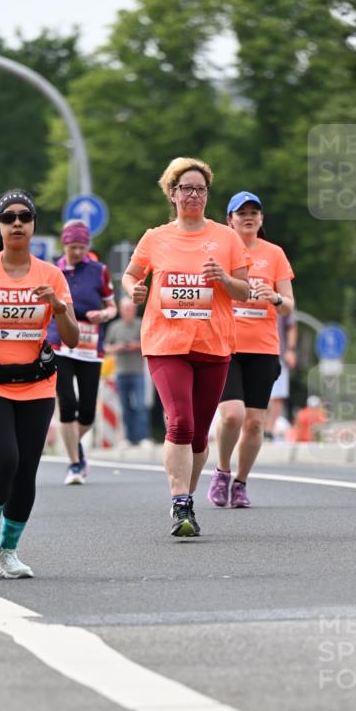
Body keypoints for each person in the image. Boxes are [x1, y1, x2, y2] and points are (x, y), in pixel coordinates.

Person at [0, 189, 78, 578]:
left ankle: (8, 551)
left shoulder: (51, 275)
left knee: (26, 470)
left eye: (25, 216)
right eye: (9, 217)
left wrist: (58, 308)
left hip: (37, 383)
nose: (18, 223)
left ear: (34, 224)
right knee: (4, 459)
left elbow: (72, 338)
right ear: (0, 226)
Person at [121, 157, 249, 537]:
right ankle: (181, 504)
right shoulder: (155, 238)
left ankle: (185, 501)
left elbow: (244, 290)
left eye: (200, 189)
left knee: (198, 434)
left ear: (207, 195)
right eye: (186, 189)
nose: (194, 195)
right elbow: (129, 275)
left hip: (213, 343)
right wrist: (135, 290)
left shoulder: (226, 238)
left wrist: (222, 277)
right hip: (166, 342)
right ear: (172, 194)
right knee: (180, 421)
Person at [208, 191, 295, 508]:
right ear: (229, 220)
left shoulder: (275, 255)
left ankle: (240, 483)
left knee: (256, 422)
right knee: (232, 416)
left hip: (263, 348)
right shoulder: (218, 251)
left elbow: (288, 306)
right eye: (241, 212)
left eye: (254, 212)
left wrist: (272, 297)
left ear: (261, 219)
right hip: (226, 345)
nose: (248, 217)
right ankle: (221, 472)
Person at [47, 219, 117, 485]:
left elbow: (112, 306)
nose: (77, 252)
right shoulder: (53, 270)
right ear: (64, 245)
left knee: (87, 410)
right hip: (59, 342)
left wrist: (104, 314)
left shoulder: (99, 270)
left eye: (82, 247)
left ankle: (72, 444)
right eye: (73, 247)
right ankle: (75, 463)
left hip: (90, 346)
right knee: (67, 403)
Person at [104, 296, 151, 446]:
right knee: (124, 407)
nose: (128, 311)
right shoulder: (114, 327)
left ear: (135, 310)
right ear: (121, 310)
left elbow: (150, 345)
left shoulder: (141, 324)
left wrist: (137, 346)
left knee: (140, 406)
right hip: (120, 372)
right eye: (125, 309)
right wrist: (116, 348)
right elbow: (105, 347)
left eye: (130, 309)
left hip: (138, 371)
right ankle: (129, 438)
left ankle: (144, 437)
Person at [265, 312, 298, 440]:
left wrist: (291, 350)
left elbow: (291, 324)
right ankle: (258, 427)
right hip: (251, 351)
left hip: (278, 353)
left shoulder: (282, 293)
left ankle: (269, 430)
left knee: (277, 396)